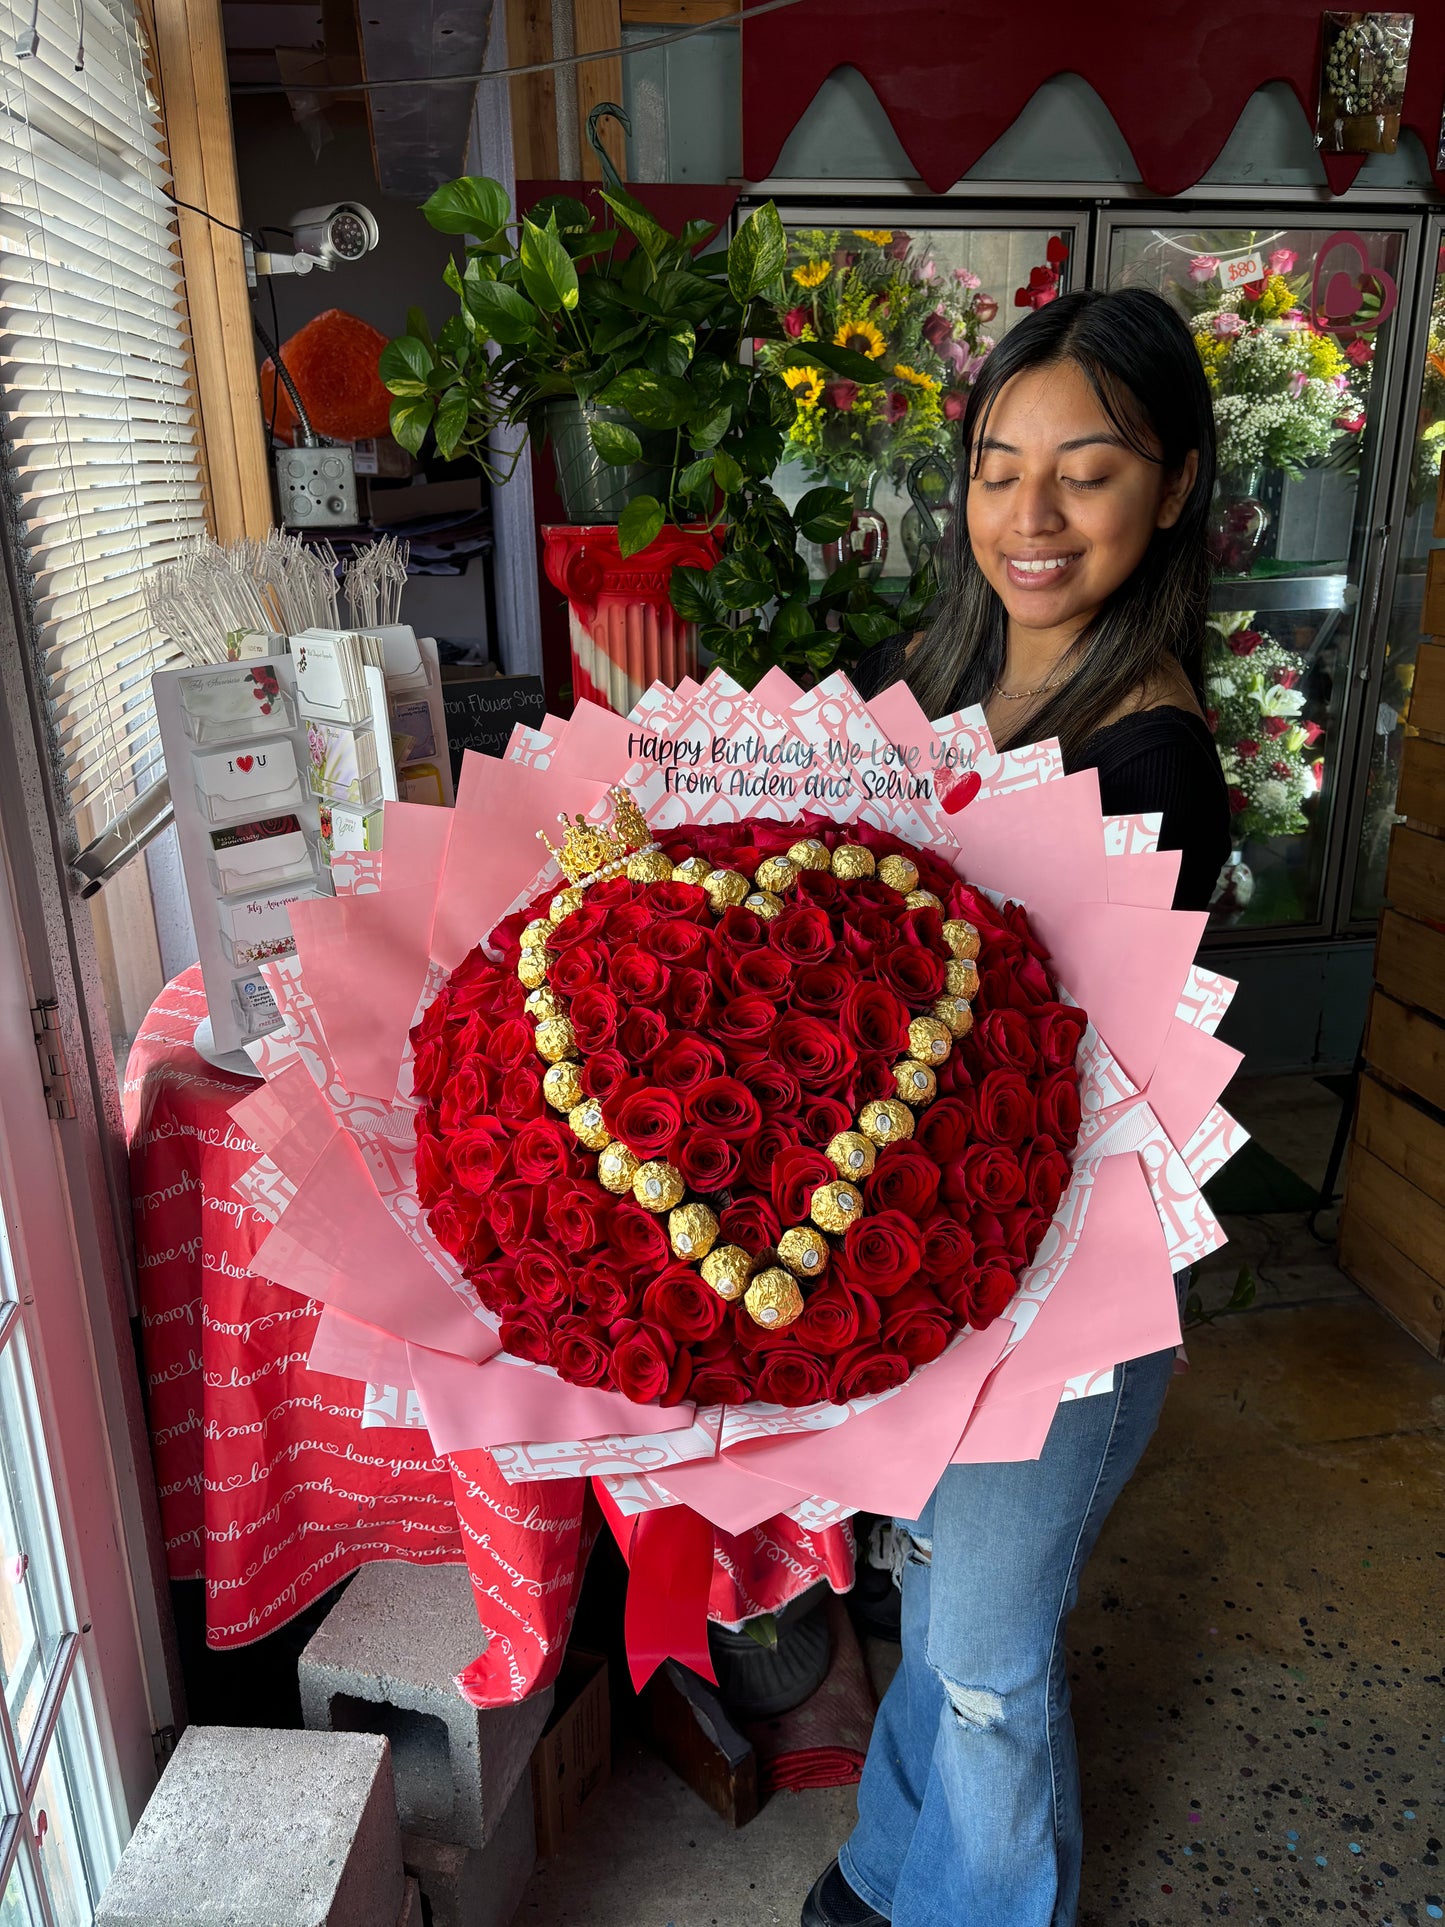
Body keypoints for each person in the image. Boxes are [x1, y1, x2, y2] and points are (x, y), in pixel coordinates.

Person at [801, 286, 1230, 1927]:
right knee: (938, 1601)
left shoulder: (1149, 763)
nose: (1027, 517)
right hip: (944, 1265)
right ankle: (886, 1872)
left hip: (1069, 1291)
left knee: (986, 1656)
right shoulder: (935, 685)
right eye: (995, 466)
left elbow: (1036, 1076)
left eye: (1088, 470)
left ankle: (982, 1909)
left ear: (1174, 486)